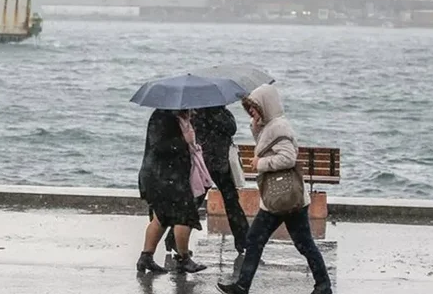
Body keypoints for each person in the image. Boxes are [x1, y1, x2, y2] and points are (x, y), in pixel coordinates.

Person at [217, 84, 332, 294]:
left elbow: (288, 158)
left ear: (265, 105)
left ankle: (243, 286)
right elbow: (268, 146)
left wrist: (261, 164)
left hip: (281, 196)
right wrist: (256, 126)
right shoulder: (271, 125)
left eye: (254, 107)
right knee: (301, 243)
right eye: (249, 108)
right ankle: (323, 285)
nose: (251, 111)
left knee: (258, 240)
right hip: (284, 197)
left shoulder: (279, 127)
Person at [164, 106, 249, 255]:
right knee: (229, 202)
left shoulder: (196, 111)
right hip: (214, 163)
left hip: (208, 162)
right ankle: (244, 241)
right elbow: (231, 128)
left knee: (199, 202)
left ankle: (173, 239)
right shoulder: (217, 112)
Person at [136, 109, 209, 274]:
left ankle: (146, 257)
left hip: (169, 176)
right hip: (162, 177)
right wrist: (184, 140)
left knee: (161, 217)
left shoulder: (181, 118)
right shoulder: (162, 117)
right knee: (184, 217)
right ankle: (183, 259)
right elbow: (159, 146)